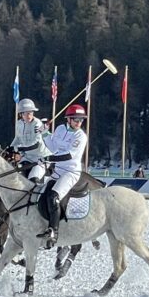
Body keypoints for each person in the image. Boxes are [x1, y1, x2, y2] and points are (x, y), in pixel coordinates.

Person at [37, 104, 89, 248]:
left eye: (81, 120)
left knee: (53, 196)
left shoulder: (81, 136)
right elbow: (53, 147)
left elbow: (69, 155)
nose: (79, 122)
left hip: (71, 172)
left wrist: (49, 159)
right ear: (69, 119)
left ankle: (53, 232)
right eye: (76, 119)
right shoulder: (60, 129)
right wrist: (45, 134)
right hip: (58, 170)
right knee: (41, 194)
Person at [7, 98, 50, 185]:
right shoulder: (19, 124)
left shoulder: (37, 124)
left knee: (33, 179)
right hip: (27, 157)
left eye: (30, 112)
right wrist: (10, 148)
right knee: (16, 177)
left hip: (41, 158)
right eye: (26, 113)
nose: (29, 115)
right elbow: (18, 139)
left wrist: (17, 148)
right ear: (21, 114)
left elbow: (35, 144)